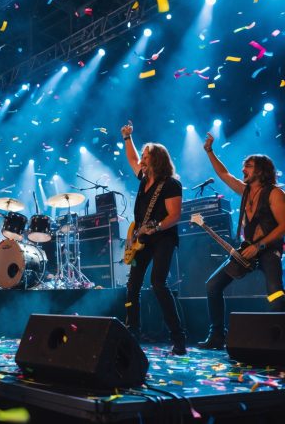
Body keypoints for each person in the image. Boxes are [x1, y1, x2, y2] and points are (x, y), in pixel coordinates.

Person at [197, 134, 285, 349]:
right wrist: (209, 150)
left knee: (275, 291)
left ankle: (278, 340)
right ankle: (217, 335)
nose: (243, 170)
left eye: (249, 166)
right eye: (244, 166)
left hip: (268, 249)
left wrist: (260, 246)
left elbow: (284, 226)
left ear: (261, 171)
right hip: (247, 250)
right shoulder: (244, 191)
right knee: (212, 286)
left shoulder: (275, 193)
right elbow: (223, 173)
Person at [121, 123, 186, 355]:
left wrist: (156, 227)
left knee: (158, 283)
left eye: (146, 156)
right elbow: (131, 159)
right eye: (143, 156)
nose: (142, 159)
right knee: (132, 287)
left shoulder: (170, 184)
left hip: (163, 238)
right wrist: (128, 137)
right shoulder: (143, 179)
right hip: (142, 239)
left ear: (156, 160)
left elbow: (175, 215)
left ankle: (178, 338)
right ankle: (132, 331)